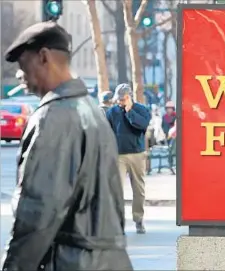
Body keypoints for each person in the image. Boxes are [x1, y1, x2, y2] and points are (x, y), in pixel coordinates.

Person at [1, 21, 132, 270]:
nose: (20, 74)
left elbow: (37, 214)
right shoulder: (92, 111)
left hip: (71, 262)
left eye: (22, 64)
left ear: (43, 57)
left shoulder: (52, 117)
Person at [106, 83, 151, 234]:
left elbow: (142, 125)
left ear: (128, 97)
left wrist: (129, 110)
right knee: (116, 189)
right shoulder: (112, 112)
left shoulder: (141, 110)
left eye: (122, 99)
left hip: (137, 154)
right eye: (118, 99)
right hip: (118, 155)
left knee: (139, 189)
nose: (119, 102)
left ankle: (138, 219)